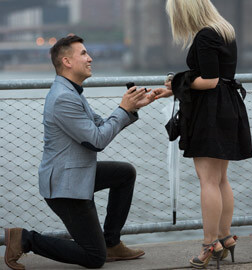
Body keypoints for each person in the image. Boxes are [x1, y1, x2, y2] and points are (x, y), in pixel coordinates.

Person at [4, 35, 153, 270]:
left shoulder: (73, 92)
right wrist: (122, 109)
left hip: (76, 173)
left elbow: (101, 125)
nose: (90, 58)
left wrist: (131, 108)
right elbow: (96, 141)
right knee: (94, 258)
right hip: (65, 186)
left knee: (125, 173)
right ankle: (24, 239)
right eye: (83, 53)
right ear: (67, 61)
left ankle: (111, 242)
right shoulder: (63, 98)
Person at [151, 0, 252, 269]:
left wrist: (176, 81)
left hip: (211, 112)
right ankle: (225, 236)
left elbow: (209, 80)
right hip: (228, 107)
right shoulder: (224, 29)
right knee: (220, 179)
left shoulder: (206, 34)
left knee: (207, 180)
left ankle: (209, 244)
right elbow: (219, 76)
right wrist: (174, 88)